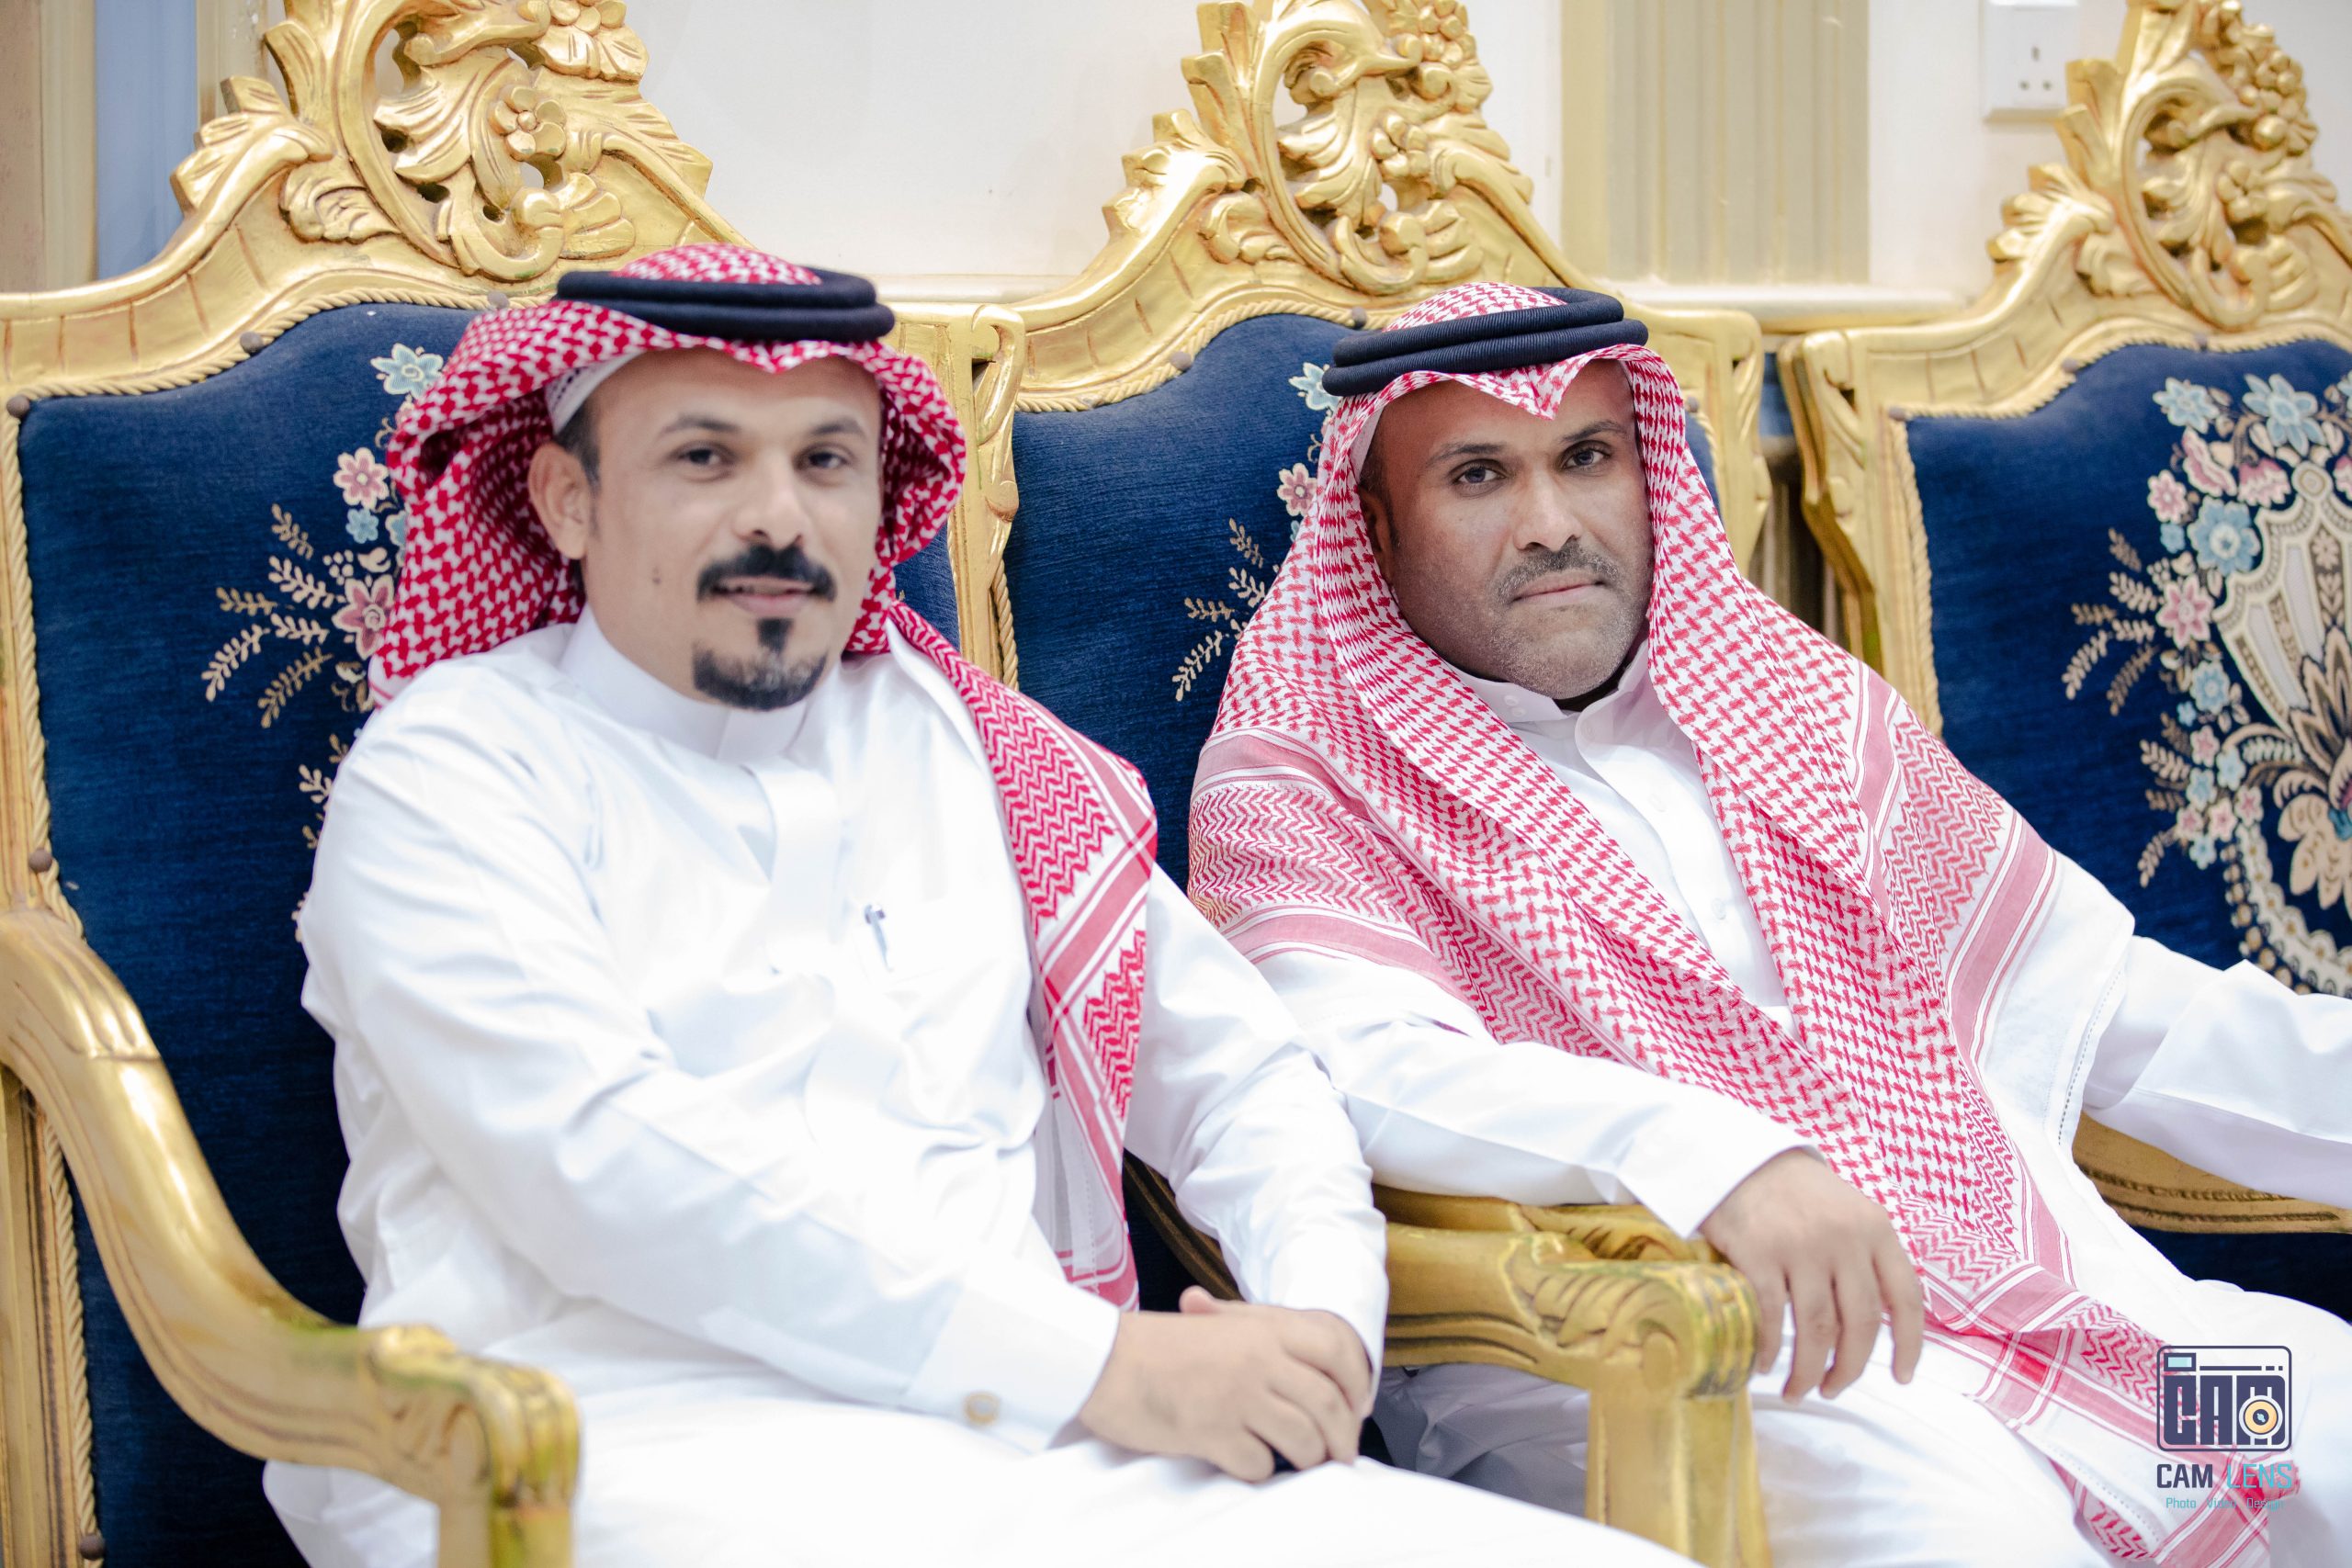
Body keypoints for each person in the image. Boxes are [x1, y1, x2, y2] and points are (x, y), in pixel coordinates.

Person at [262, 246, 1679, 1568]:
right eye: (705, 457)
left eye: (826, 460)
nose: (778, 516)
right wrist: (1105, 1367)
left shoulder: (972, 748)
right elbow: (605, 1170)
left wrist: (1319, 1327)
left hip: (1031, 1446)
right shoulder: (452, 771)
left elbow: (1244, 1076)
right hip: (598, 1446)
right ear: (566, 501)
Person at [1188, 280, 2352, 1568]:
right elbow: (1368, 1074)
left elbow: (2106, 1004)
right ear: (1376, 524)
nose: (1551, 524)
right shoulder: (1297, 770)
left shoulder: (1794, 702)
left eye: (1588, 458)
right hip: (1682, 1354)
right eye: (1478, 476)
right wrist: (1715, 1157)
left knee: (2326, 1430)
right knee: (1986, 1544)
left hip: (2048, 1324)